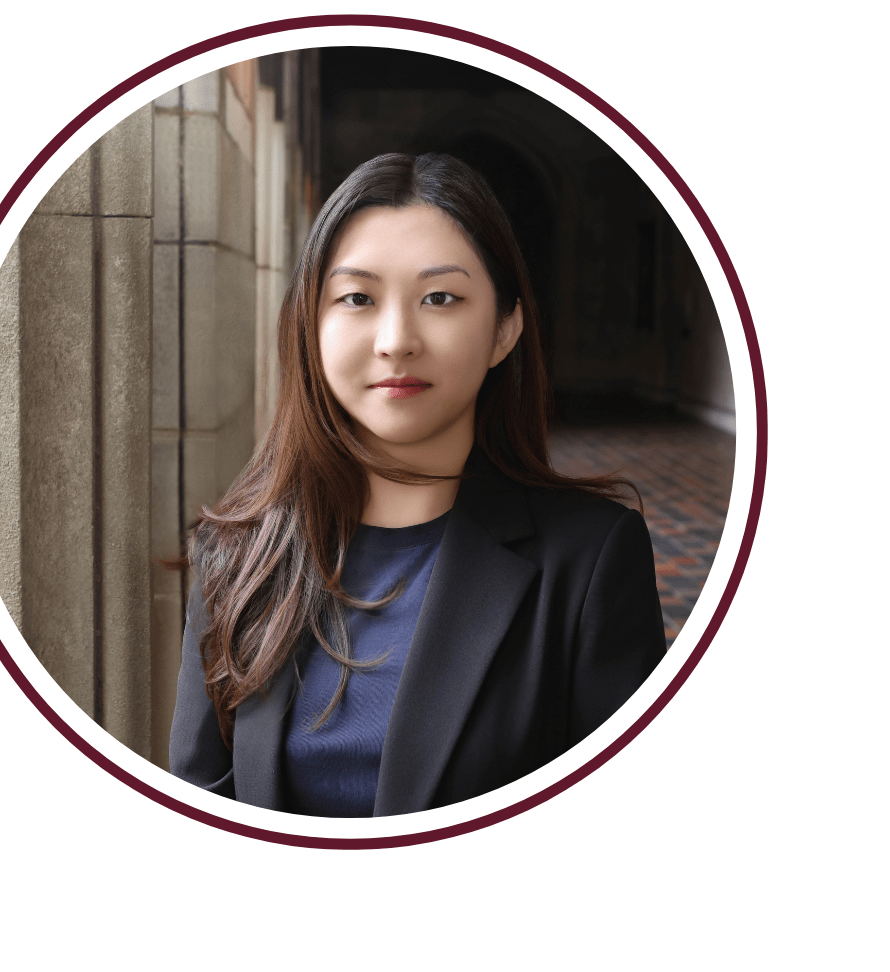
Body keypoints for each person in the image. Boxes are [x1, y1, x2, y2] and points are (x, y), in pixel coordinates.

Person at [168, 152, 665, 817]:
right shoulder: (235, 555)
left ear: (504, 329)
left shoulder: (591, 562)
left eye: (440, 298)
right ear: (311, 326)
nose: (396, 340)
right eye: (357, 298)